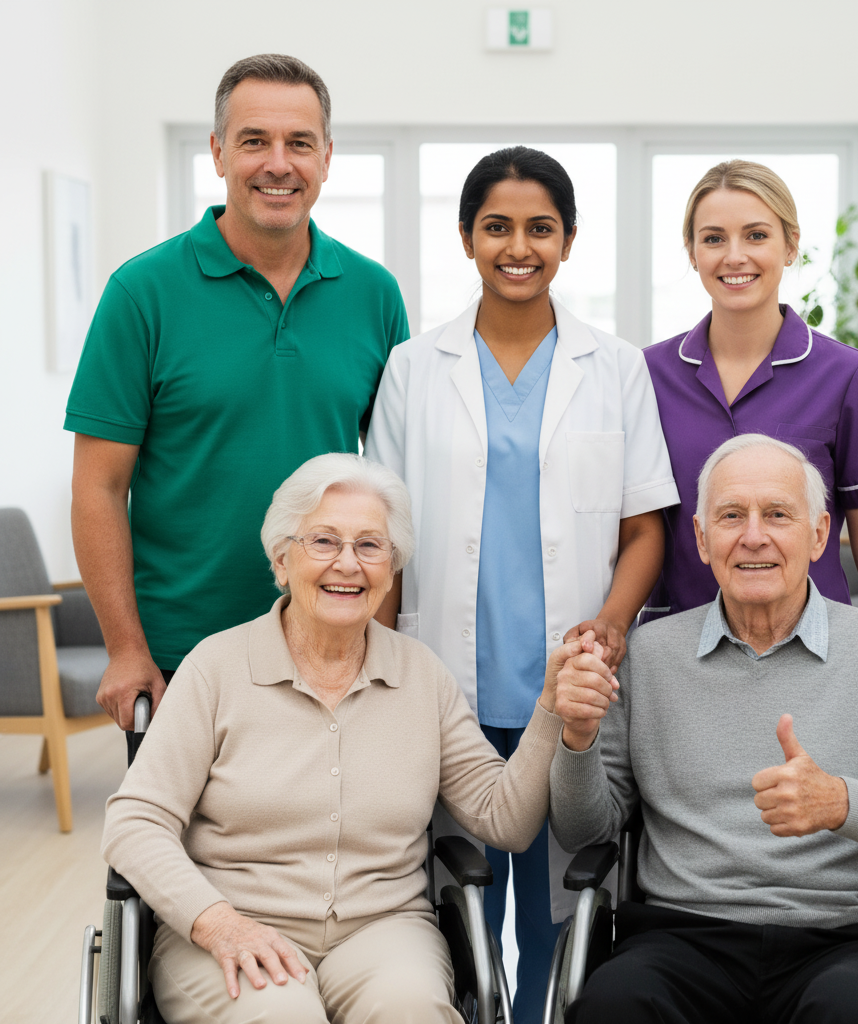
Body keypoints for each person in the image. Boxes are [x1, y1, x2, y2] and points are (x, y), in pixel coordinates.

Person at [102, 453, 606, 1024]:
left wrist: (550, 709)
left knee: (413, 1012)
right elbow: (135, 821)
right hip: (232, 925)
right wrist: (215, 921)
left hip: (384, 930)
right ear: (281, 560)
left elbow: (504, 822)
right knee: (281, 1016)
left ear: (392, 568)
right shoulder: (215, 668)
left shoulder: (422, 675)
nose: (348, 564)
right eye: (323, 541)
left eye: (370, 546)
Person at [365, 146, 679, 1022]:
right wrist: (380, 665)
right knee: (456, 904)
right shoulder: (414, 368)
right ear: (466, 237)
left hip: (566, 686)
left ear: (570, 240)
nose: (518, 246)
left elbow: (645, 525)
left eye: (540, 228)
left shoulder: (613, 367)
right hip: (444, 683)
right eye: (496, 226)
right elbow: (383, 537)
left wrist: (608, 628)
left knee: (560, 910)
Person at [548, 434, 858, 1024]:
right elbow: (584, 832)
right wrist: (576, 740)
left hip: (848, 943)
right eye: (731, 516)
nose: (753, 535)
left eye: (777, 514)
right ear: (703, 540)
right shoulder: (648, 657)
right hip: (682, 939)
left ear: (818, 534)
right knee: (611, 1007)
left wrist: (841, 802)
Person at [65, 54, 408, 734]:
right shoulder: (142, 293)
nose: (277, 163)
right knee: (175, 845)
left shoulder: (375, 295)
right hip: (181, 662)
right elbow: (98, 487)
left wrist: (385, 641)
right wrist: (126, 648)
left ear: (327, 157)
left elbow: (392, 484)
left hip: (332, 650)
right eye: (254, 141)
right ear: (219, 152)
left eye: (299, 143)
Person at [642, 160, 858, 637]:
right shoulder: (647, 374)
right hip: (679, 650)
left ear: (790, 246)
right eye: (712, 238)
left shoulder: (845, 374)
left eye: (756, 235)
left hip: (813, 650)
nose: (734, 256)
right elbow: (640, 533)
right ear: (690, 251)